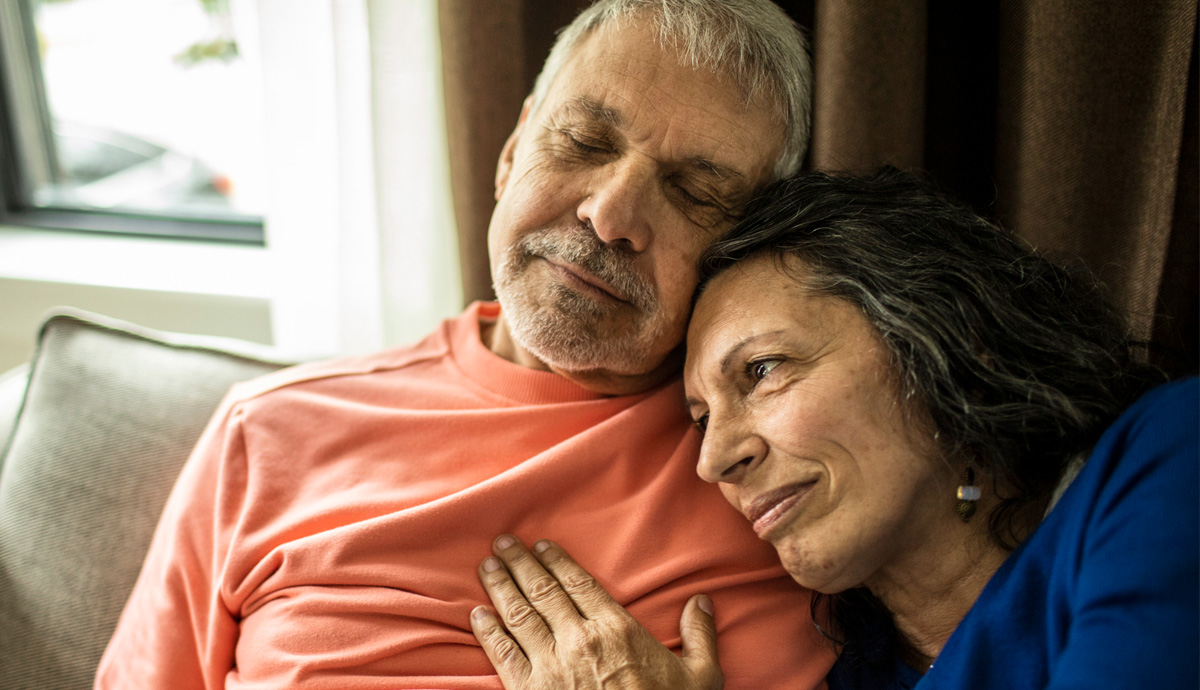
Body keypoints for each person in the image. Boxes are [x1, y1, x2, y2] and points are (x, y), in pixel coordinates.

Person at [94, 2, 833, 689]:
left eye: (693, 192)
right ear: (512, 152)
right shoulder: (264, 432)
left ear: (743, 247)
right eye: (581, 142)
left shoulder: (788, 477)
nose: (610, 214)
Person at [466, 168, 1199, 689]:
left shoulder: (1165, 458)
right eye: (699, 420)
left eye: (760, 371)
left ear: (945, 335)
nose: (715, 459)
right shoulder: (844, 672)